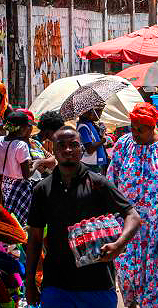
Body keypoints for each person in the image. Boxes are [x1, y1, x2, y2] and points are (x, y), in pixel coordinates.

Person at [25, 126, 141, 308]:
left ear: (81, 149)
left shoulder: (98, 183)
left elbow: (132, 215)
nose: (68, 150)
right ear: (53, 150)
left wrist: (119, 245)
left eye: (74, 145)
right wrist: (30, 282)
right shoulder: (42, 189)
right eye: (61, 145)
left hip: (98, 285)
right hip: (56, 285)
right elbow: (34, 239)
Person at [107, 102, 158, 308]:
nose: (134, 133)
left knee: (155, 275)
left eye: (139, 129)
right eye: (132, 128)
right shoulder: (123, 144)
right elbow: (111, 179)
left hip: (156, 225)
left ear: (152, 127)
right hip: (126, 225)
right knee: (126, 271)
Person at [0, 110, 33, 225]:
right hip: (19, 188)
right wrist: (37, 164)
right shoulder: (21, 145)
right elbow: (27, 175)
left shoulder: (0, 140)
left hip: (4, 184)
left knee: (8, 219)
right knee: (21, 222)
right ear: (21, 128)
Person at [30, 110, 65, 180]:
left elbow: (53, 161)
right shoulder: (33, 142)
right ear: (48, 130)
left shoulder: (41, 143)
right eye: (56, 132)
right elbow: (43, 168)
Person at [77, 107, 109, 173]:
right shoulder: (83, 127)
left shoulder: (90, 124)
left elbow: (96, 140)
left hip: (96, 162)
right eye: (90, 111)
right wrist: (103, 140)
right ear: (84, 113)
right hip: (90, 164)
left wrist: (101, 133)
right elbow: (90, 149)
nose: (92, 113)